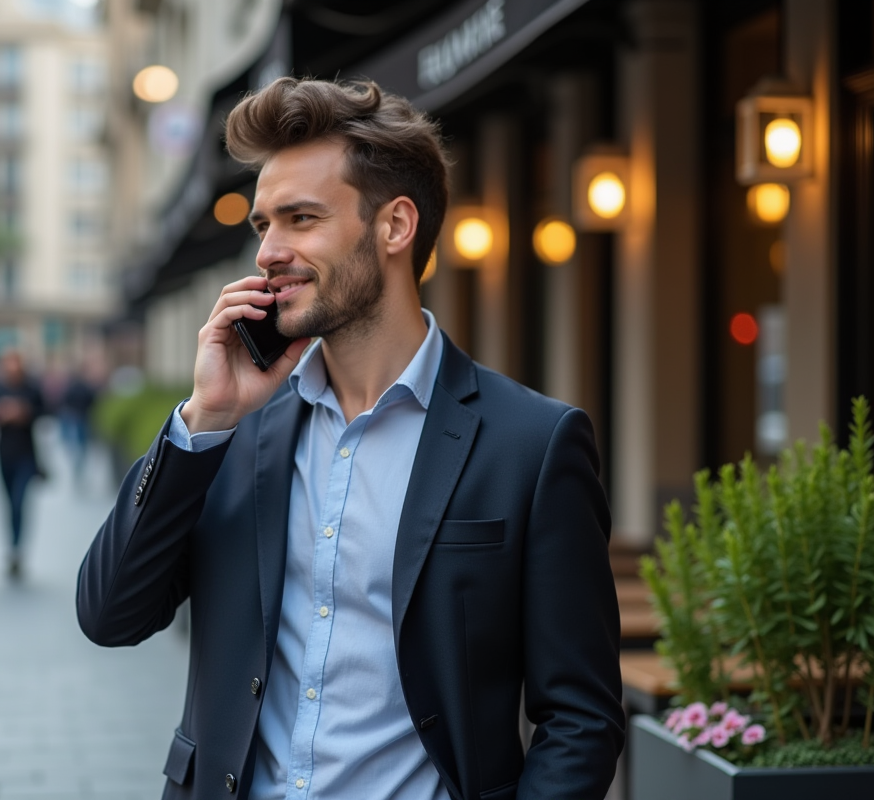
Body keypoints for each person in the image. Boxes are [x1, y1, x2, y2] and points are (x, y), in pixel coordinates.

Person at [77, 78, 624, 800]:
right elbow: (111, 614)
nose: (269, 251)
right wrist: (203, 421)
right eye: (263, 224)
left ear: (395, 227)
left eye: (300, 218)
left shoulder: (531, 444)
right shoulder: (234, 432)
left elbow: (580, 717)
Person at [0, 348, 44, 579]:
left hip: (27, 455)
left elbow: (45, 410)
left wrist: (24, 412)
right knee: (9, 504)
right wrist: (0, 413)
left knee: (20, 502)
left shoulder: (31, 388)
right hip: (4, 454)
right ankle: (11, 545)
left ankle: (18, 549)